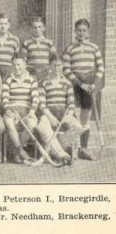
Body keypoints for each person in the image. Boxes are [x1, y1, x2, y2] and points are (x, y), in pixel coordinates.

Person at [63, 18, 104, 161]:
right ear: (75, 31)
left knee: (85, 118)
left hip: (90, 86)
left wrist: (93, 84)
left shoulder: (94, 48)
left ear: (88, 32)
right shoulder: (70, 48)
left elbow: (100, 68)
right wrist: (80, 84)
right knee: (74, 117)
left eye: (84, 30)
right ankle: (71, 148)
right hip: (75, 85)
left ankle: (83, 149)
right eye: (79, 30)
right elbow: (66, 69)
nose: (81, 33)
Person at [35, 55, 82, 165]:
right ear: (50, 66)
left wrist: (68, 115)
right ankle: (62, 155)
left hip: (64, 112)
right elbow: (41, 104)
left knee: (78, 127)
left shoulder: (67, 83)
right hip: (48, 112)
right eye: (54, 65)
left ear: (62, 66)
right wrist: (51, 117)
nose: (57, 68)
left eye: (59, 65)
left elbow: (71, 103)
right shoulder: (43, 83)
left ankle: (53, 148)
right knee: (42, 126)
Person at [2, 58, 39, 164]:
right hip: (12, 109)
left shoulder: (32, 79)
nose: (16, 67)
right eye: (14, 65)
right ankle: (21, 153)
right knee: (9, 123)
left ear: (25, 66)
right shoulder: (7, 79)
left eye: (19, 65)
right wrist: (8, 110)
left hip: (27, 110)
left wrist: (32, 111)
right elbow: (5, 99)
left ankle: (16, 152)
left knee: (31, 125)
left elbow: (36, 98)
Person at [20, 16, 56, 85]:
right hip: (31, 73)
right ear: (31, 29)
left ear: (44, 28)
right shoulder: (26, 43)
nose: (37, 29)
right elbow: (23, 60)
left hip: (46, 73)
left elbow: (53, 59)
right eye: (34, 27)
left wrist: (50, 71)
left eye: (39, 27)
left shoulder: (49, 43)